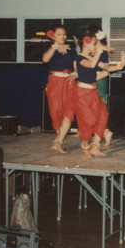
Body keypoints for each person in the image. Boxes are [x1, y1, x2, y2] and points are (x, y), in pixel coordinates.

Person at [83, 24, 125, 146]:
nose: (86, 38)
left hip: (97, 80)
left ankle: (99, 135)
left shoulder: (100, 48)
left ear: (94, 36)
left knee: (95, 110)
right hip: (93, 79)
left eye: (88, 35)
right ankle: (103, 133)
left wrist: (119, 66)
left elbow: (103, 67)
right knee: (93, 111)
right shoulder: (96, 49)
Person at [74, 29, 112, 158]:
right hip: (82, 93)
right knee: (88, 120)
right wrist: (99, 51)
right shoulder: (80, 58)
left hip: (93, 92)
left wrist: (120, 66)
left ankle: (95, 146)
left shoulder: (91, 57)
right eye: (94, 44)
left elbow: (105, 67)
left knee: (102, 115)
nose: (96, 47)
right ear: (86, 43)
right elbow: (91, 65)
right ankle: (85, 146)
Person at [42, 25, 78, 153]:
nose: (62, 37)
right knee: (55, 113)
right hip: (55, 83)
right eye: (59, 34)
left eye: (64, 34)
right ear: (53, 36)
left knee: (69, 112)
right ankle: (58, 138)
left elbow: (75, 66)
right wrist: (54, 47)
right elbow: (45, 59)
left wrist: (75, 73)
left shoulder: (71, 49)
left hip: (69, 83)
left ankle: (60, 142)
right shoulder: (50, 49)